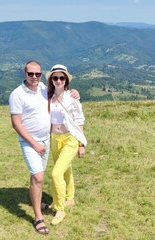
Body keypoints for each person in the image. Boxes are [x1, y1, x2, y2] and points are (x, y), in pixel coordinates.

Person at [8, 60, 79, 234]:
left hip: (47, 140)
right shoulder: (16, 95)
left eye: (37, 74)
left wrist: (75, 92)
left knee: (40, 176)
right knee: (38, 176)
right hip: (31, 142)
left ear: (41, 75)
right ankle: (38, 217)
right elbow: (16, 124)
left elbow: (61, 93)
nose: (34, 77)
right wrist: (34, 143)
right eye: (30, 74)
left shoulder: (42, 88)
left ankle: (40, 201)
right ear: (24, 73)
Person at [46, 64, 87, 225]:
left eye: (61, 77)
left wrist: (81, 144)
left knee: (56, 173)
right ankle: (70, 197)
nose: (58, 80)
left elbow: (79, 120)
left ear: (66, 80)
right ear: (51, 80)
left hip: (70, 138)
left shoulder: (72, 97)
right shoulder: (47, 96)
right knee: (65, 169)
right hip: (54, 139)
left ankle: (59, 208)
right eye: (55, 77)